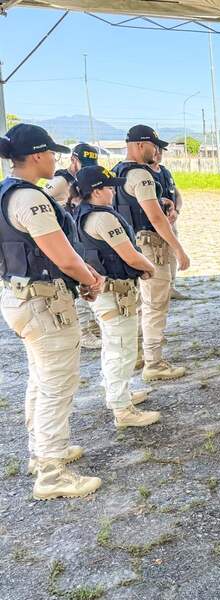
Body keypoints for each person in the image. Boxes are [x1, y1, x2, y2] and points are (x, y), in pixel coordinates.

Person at [0, 123, 105, 499]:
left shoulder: (6, 192)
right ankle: (51, 473)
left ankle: (42, 452)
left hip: (20, 296)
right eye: (52, 153)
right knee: (57, 385)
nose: (56, 160)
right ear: (38, 155)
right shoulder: (31, 199)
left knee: (41, 379)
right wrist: (91, 279)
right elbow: (61, 253)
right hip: (43, 302)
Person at [72, 166, 162, 428]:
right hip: (115, 293)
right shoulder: (103, 219)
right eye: (109, 187)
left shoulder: (83, 214)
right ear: (96, 191)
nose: (113, 191)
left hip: (108, 292)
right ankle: (123, 409)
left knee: (115, 346)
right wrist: (150, 268)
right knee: (121, 349)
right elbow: (129, 254)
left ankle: (118, 393)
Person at [112, 125, 191, 382]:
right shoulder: (141, 175)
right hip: (152, 245)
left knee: (136, 304)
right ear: (137, 145)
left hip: (129, 245)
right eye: (152, 145)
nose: (155, 150)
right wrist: (179, 251)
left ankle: (136, 355)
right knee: (156, 305)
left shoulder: (116, 173)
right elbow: (156, 218)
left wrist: (168, 204)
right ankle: (154, 363)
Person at [43, 142, 104, 349]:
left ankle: (93, 327)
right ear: (73, 160)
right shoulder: (60, 181)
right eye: (83, 164)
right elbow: (42, 201)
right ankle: (84, 331)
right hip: (65, 239)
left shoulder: (85, 179)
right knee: (79, 282)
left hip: (82, 237)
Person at [148, 146, 188, 300]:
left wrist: (176, 211)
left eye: (161, 151)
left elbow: (177, 194)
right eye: (155, 150)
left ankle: (170, 287)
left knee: (171, 255)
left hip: (170, 222)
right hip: (153, 225)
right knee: (157, 258)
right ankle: (159, 290)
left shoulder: (165, 172)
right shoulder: (143, 174)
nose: (158, 154)